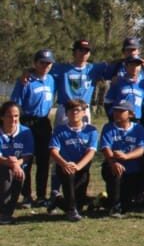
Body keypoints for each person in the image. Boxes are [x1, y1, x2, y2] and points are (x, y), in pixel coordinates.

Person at [11, 49, 56, 207]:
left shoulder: (51, 79)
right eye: (42, 62)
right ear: (35, 63)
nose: (45, 66)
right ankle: (26, 196)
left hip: (43, 122)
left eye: (48, 63)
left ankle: (41, 195)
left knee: (43, 161)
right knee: (26, 160)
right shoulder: (26, 80)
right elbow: (16, 103)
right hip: (27, 122)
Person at [49, 99, 98, 221]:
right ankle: (71, 211)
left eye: (77, 110)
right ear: (66, 113)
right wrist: (65, 164)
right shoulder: (60, 130)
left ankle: (58, 200)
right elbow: (53, 151)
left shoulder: (91, 130)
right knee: (69, 176)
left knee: (79, 205)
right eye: (70, 110)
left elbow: (91, 152)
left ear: (83, 113)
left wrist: (79, 166)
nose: (74, 113)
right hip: (64, 167)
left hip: (82, 169)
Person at [99, 102, 144, 217]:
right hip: (113, 166)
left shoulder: (138, 128)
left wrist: (126, 156)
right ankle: (114, 208)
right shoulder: (109, 127)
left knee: (127, 204)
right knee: (116, 173)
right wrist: (114, 163)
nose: (117, 114)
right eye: (115, 111)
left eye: (121, 111)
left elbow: (141, 149)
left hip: (132, 169)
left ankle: (102, 200)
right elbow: (105, 148)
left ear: (130, 114)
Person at [0, 101, 33, 224]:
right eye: (9, 116)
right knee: (7, 173)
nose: (13, 119)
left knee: (18, 175)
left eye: (16, 116)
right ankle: (3, 212)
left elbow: (27, 155)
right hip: (3, 166)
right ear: (2, 117)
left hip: (18, 166)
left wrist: (16, 164)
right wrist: (11, 164)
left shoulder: (26, 131)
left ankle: (7, 213)